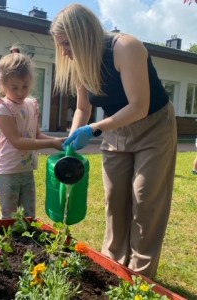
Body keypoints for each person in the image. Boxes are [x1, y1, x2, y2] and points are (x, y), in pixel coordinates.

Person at [51, 4, 177, 278]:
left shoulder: (125, 47)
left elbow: (139, 106)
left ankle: (140, 278)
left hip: (152, 127)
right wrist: (75, 136)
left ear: (82, 35)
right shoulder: (79, 64)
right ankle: (114, 269)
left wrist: (93, 130)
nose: (63, 52)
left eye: (65, 44)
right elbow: (83, 109)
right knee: (114, 200)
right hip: (114, 130)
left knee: (145, 201)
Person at [0, 49, 65, 220]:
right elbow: (17, 141)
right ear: (2, 83)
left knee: (30, 216)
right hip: (7, 172)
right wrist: (52, 144)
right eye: (14, 87)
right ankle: (7, 246)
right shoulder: (3, 108)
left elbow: (36, 134)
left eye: (25, 86)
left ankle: (28, 246)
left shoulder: (32, 105)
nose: (19, 92)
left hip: (27, 169)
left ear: (31, 81)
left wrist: (57, 140)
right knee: (10, 217)